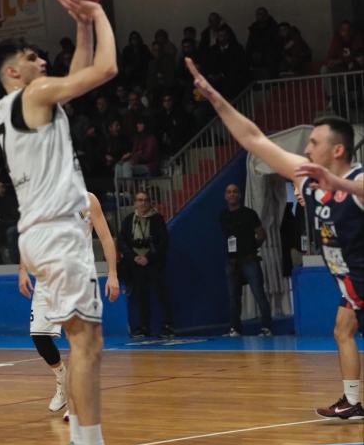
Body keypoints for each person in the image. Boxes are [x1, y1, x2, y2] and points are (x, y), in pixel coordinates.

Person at [0, 0, 141, 445]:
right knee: (88, 345)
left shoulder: (25, 105)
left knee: (82, 342)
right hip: (57, 233)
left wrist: (80, 30)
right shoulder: (30, 97)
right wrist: (96, 13)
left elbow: (76, 73)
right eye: (31, 57)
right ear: (13, 72)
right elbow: (105, 69)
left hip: (42, 233)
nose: (41, 60)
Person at [186, 57, 364, 420]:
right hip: (351, 282)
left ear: (338, 150)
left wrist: (339, 183)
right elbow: (254, 139)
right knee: (342, 328)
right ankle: (354, 400)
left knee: (343, 327)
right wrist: (216, 99)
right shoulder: (307, 179)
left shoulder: (357, 180)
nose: (307, 148)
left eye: (314, 142)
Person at [18, 192, 120, 416]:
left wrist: (112, 273)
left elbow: (105, 237)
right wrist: (23, 269)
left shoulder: (88, 200)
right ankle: (62, 379)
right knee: (39, 337)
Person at [118, 191, 174, 340]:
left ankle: (167, 326)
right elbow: (122, 242)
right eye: (139, 200)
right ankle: (143, 327)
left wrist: (148, 257)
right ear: (135, 203)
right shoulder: (129, 220)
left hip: (154, 263)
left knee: (161, 295)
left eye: (145, 200)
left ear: (150, 203)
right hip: (135, 264)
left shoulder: (157, 219)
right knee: (141, 296)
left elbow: (163, 242)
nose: (142, 203)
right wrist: (134, 257)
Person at [220, 184, 272, 337]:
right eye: (229, 192)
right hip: (231, 261)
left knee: (258, 293)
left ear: (240, 195)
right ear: (225, 196)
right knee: (233, 296)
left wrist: (252, 247)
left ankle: (266, 327)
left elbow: (261, 234)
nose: (232, 194)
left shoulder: (249, 213)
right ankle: (235, 328)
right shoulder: (223, 215)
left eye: (235, 191)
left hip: (249, 260)